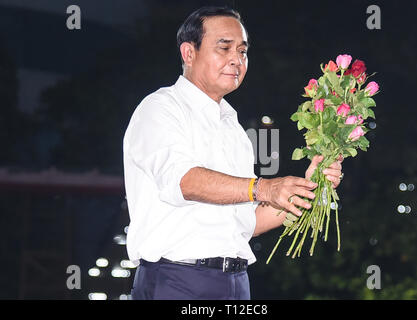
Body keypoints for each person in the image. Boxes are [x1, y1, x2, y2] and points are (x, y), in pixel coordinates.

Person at [123, 6, 343, 300]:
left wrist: (309, 188)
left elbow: (247, 222)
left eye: (242, 51)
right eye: (224, 48)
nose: (236, 60)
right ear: (189, 53)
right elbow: (184, 181)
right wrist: (264, 187)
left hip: (236, 282)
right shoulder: (160, 108)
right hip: (177, 280)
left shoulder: (232, 125)